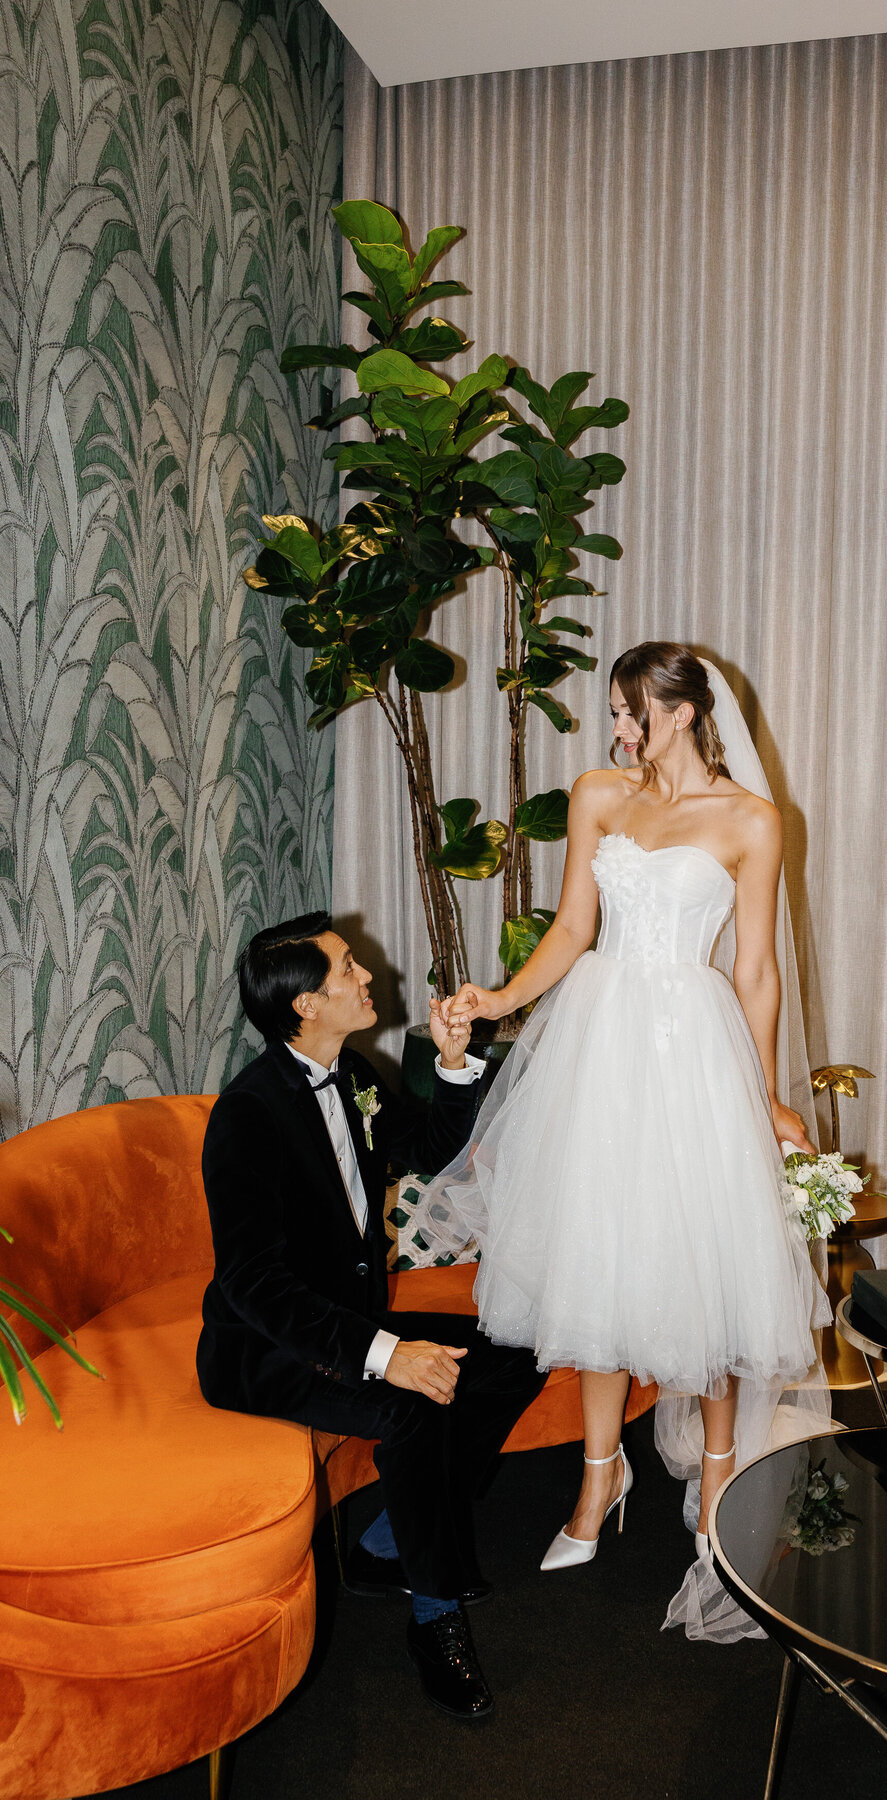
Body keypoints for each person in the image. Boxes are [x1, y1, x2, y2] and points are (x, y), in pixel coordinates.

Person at [416, 643, 831, 1642]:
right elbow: (569, 930)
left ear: (682, 712)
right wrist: (499, 999)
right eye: (613, 711)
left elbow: (758, 970)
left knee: (707, 1269)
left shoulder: (751, 821)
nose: (615, 729)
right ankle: (599, 1483)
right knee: (595, 1261)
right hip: (598, 1050)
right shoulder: (600, 795)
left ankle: (718, 1495)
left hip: (694, 1052)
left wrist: (761, 1093)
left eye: (629, 711)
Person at [196, 913, 546, 1719]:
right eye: (347, 969)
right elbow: (255, 1288)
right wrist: (387, 1353)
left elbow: (427, 1148)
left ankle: (387, 1544)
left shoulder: (349, 1071)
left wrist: (455, 1064)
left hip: (347, 1325)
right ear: (304, 1007)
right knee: (413, 1408)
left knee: (516, 1348)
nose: (366, 976)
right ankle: (436, 1618)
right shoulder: (246, 1117)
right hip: (269, 1349)